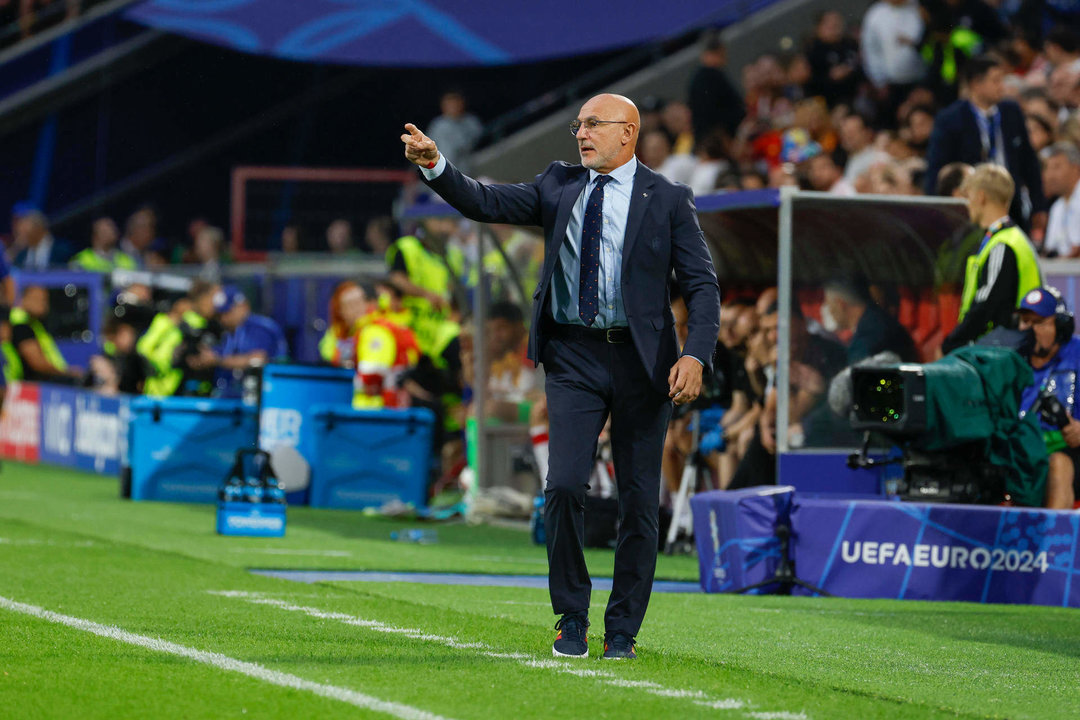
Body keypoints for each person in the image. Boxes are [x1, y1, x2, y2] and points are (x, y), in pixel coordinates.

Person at [401, 93, 720, 660]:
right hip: (574, 358)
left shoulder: (668, 199)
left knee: (640, 502)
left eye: (594, 124)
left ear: (629, 133)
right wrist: (435, 165)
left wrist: (694, 354)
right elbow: (485, 201)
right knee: (564, 486)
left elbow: (701, 285)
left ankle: (622, 629)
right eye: (578, 125)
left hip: (644, 365)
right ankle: (571, 617)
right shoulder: (558, 184)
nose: (582, 133)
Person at [922, 56, 1047, 235]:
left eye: (1002, 80)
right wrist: (939, 212)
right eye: (995, 80)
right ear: (976, 84)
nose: (1001, 86)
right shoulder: (950, 119)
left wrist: (1038, 205)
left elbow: (1029, 162)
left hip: (1010, 204)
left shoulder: (1011, 112)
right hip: (971, 207)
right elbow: (937, 168)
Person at [942, 164, 1043, 353]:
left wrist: (952, 343)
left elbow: (985, 306)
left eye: (969, 197)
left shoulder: (1002, 245)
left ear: (981, 197)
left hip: (1001, 353)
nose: (968, 204)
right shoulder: (1010, 239)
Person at [1016, 286, 1080, 508]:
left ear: (1061, 328)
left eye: (1040, 323)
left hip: (1069, 452)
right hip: (1020, 453)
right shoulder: (1011, 360)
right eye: (1026, 322)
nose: (1031, 330)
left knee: (1058, 464)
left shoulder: (1077, 354)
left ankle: (1053, 541)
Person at [351, 281, 420, 409]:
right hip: (393, 408)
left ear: (370, 303)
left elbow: (372, 373)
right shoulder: (397, 328)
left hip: (373, 410)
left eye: (355, 304)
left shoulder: (376, 330)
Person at [213, 286, 288, 396]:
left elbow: (257, 359)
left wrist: (217, 360)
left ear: (243, 306)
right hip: (230, 396)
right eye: (219, 315)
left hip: (262, 396)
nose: (223, 319)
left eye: (228, 312)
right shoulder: (228, 332)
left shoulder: (259, 328)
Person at [860, 0, 925, 126]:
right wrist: (879, 80)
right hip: (890, 85)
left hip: (921, 81)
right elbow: (871, 50)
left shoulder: (919, 8)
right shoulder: (875, 14)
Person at [823, 277, 918, 363]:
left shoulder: (867, 339)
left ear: (840, 304)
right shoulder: (878, 319)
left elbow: (858, 377)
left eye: (829, 305)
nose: (829, 311)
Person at [1, 285, 80, 384]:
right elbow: (37, 362)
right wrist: (67, 373)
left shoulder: (32, 323)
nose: (44, 305)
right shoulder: (20, 325)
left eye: (45, 300)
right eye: (38, 299)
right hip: (18, 387)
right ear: (24, 299)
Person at [687, 30, 745, 143]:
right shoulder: (712, 76)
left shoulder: (697, 79)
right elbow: (714, 114)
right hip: (720, 142)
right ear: (720, 51)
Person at [427, 90, 484, 175]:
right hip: (440, 169)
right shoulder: (437, 125)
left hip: (466, 168)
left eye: (455, 103)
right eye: (449, 104)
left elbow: (477, 142)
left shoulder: (471, 122)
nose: (452, 106)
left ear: (461, 103)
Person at [1042, 142, 1080, 258]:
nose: (1050, 175)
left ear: (1076, 169)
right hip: (1061, 274)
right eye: (1048, 168)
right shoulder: (1057, 207)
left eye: (1056, 167)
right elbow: (1050, 249)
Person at [319, 281, 365, 368]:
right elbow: (327, 356)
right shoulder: (335, 331)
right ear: (340, 310)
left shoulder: (374, 329)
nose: (358, 309)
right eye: (351, 305)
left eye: (360, 302)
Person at [70, 217, 137, 273]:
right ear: (95, 235)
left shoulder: (126, 260)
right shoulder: (81, 259)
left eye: (112, 230)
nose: (110, 233)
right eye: (104, 231)